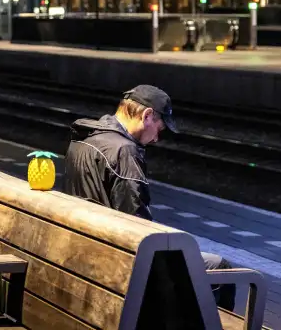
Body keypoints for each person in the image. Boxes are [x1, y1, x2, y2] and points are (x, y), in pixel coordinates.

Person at [63, 85, 236, 311]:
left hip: (88, 250)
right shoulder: (124, 152)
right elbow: (137, 225)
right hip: (122, 265)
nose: (156, 139)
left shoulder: (84, 139)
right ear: (147, 116)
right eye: (159, 129)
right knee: (221, 268)